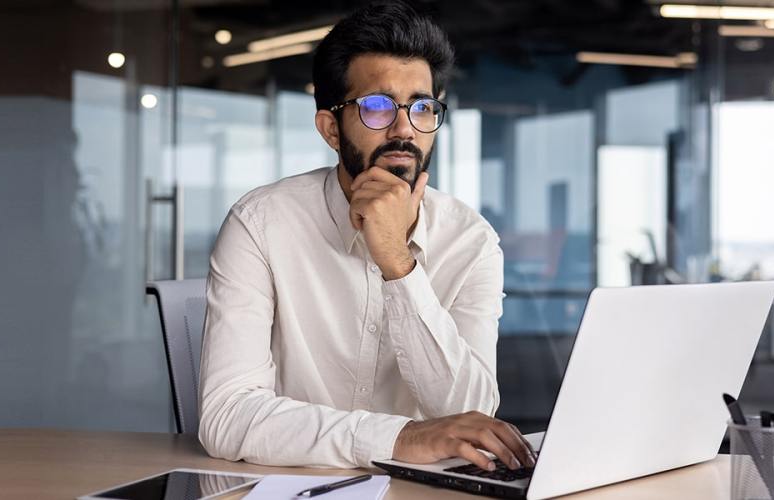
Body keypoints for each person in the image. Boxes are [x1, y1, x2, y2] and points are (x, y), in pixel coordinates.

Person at [198, 0, 535, 473]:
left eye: (422, 107)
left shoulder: (472, 241)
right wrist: (400, 437)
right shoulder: (261, 224)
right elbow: (227, 416)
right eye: (377, 107)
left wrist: (398, 263)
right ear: (330, 129)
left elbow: (470, 412)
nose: (404, 128)